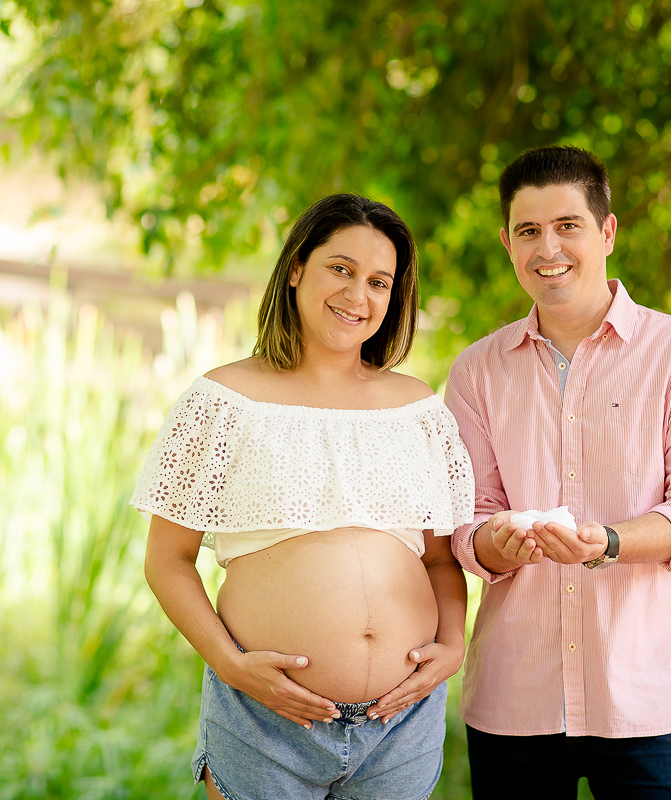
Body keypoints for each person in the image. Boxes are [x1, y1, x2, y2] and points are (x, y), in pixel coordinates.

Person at [130, 193, 474, 800]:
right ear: (296, 270)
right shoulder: (221, 400)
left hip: (401, 725)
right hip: (267, 720)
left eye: (378, 282)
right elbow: (167, 560)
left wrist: (452, 642)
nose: (357, 295)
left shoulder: (419, 407)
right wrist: (232, 665)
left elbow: (441, 560)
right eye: (339, 269)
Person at [444, 145, 671, 799]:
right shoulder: (475, 372)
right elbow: (467, 519)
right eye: (528, 231)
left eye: (567, 225)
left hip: (647, 701)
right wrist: (499, 539)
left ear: (606, 231)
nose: (548, 247)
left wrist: (606, 542)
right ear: (507, 242)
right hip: (515, 703)